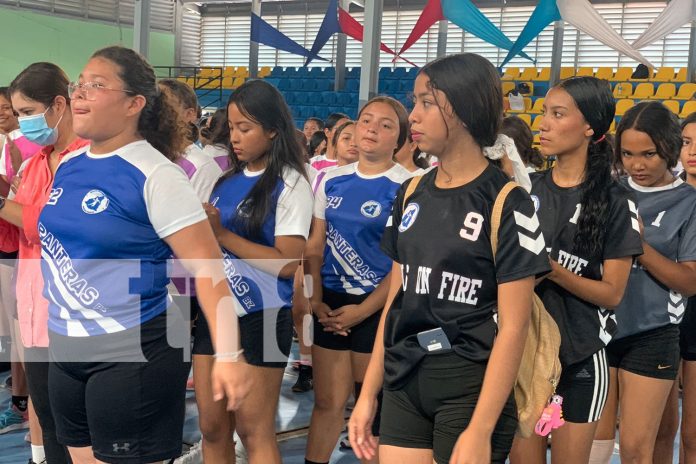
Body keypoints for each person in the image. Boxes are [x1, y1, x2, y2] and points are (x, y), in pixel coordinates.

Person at [38, 45, 251, 463]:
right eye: (79, 83)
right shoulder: (70, 165)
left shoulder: (157, 175)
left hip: (133, 354)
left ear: (134, 103)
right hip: (65, 349)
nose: (79, 93)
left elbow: (209, 272)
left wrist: (229, 354)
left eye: (96, 85)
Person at [348, 53, 549, 464]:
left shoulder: (508, 202)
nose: (412, 116)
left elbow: (514, 326)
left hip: (469, 384)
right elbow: (395, 301)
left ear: (459, 109)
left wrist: (481, 428)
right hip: (404, 377)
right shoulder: (410, 192)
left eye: (425, 102)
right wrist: (369, 394)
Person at [510, 76, 643, 464]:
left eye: (558, 114)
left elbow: (612, 293)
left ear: (589, 127)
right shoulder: (525, 190)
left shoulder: (617, 201)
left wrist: (549, 269)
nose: (543, 123)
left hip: (580, 359)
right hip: (523, 355)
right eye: (544, 113)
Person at [196, 79, 313, 464]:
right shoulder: (225, 181)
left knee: (254, 430)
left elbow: (286, 263)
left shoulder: (291, 183)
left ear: (273, 130)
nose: (235, 138)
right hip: (214, 314)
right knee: (213, 429)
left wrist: (223, 234)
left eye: (245, 128)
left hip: (263, 317)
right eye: (231, 128)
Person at [304, 96, 412, 464]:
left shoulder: (408, 186)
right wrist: (315, 299)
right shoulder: (330, 180)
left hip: (377, 308)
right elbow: (315, 247)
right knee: (326, 404)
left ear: (400, 139)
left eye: (386, 125)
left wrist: (363, 311)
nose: (373, 129)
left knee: (373, 410)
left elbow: (402, 263)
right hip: (329, 306)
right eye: (367, 120)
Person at [590, 102, 696, 464]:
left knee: (637, 449)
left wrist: (637, 245)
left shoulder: (689, 202)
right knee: (594, 446)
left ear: (669, 147)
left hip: (652, 334)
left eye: (649, 154)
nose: (637, 165)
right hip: (599, 331)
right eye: (628, 154)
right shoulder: (609, 191)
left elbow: (690, 282)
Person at [0, 62, 87, 464]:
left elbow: (56, 225)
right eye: (18, 114)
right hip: (35, 311)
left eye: (28, 112)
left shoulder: (88, 160)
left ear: (59, 104)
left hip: (75, 314)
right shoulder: (33, 165)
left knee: (78, 429)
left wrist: (5, 205)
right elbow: (20, 233)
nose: (23, 122)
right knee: (49, 421)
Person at [292, 120, 358, 393]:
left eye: (357, 137)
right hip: (317, 255)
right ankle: (307, 364)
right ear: (335, 142)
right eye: (346, 138)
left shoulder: (374, 179)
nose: (353, 142)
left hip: (353, 267)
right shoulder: (320, 176)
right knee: (302, 307)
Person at [654, 111, 696, 464]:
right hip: (664, 314)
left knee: (693, 431)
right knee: (661, 427)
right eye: (686, 142)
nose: (692, 151)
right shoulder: (664, 195)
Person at [158, 79, 223, 202]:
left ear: (190, 114)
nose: (157, 113)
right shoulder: (144, 152)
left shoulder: (202, 167)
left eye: (165, 106)